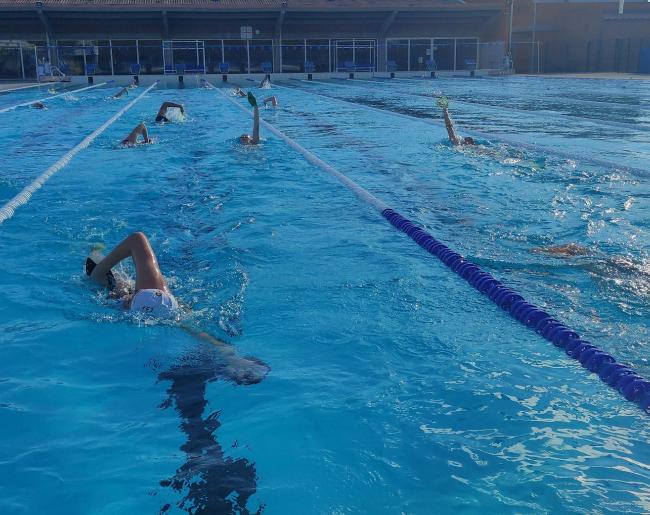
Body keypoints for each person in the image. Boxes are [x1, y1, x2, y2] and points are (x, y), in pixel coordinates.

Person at [86, 232, 177, 316]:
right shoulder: (153, 287)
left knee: (99, 280)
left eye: (129, 302)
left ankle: (96, 254)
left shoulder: (126, 308)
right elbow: (137, 239)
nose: (127, 300)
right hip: (169, 305)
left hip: (163, 302)